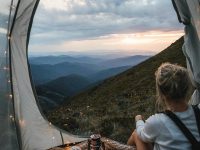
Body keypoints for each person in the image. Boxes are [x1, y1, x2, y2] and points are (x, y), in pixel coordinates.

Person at [127, 62, 200, 150]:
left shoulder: (158, 122)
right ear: (187, 87)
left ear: (162, 93)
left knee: (136, 134)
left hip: (145, 129)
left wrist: (138, 119)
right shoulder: (198, 111)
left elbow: (141, 134)